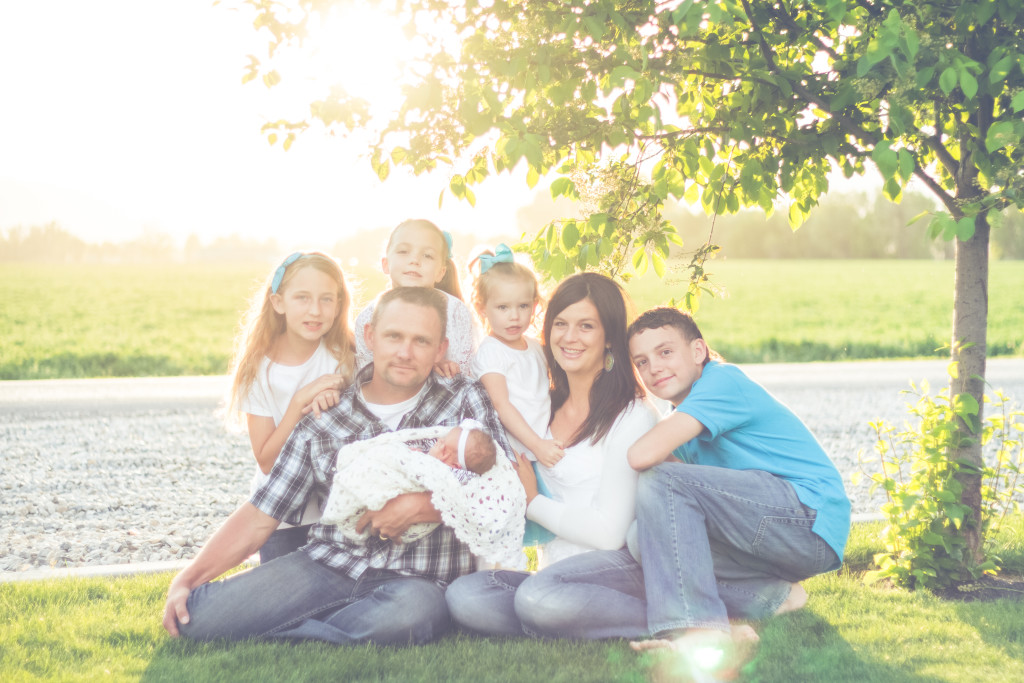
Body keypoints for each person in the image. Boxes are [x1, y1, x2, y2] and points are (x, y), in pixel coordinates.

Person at [162, 286, 519, 646]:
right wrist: (188, 578)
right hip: (329, 564)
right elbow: (260, 515)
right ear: (370, 337)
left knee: (408, 617)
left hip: (416, 581)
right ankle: (328, 631)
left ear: (440, 348)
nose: (405, 352)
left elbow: (504, 488)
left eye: (421, 341)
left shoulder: (464, 400)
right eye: (393, 336)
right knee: (198, 619)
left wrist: (421, 506)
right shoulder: (326, 415)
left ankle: (299, 636)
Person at [625, 307, 851, 666]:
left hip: (808, 520)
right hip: (769, 536)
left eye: (665, 352)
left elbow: (642, 457)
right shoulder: (682, 423)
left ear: (698, 351)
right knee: (643, 538)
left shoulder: (722, 381)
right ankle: (776, 598)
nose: (654, 367)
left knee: (660, 478)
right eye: (642, 362)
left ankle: (696, 629)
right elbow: (677, 510)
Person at [445, 272, 659, 639]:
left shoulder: (632, 414)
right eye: (560, 323)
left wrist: (534, 503)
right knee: (466, 595)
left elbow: (610, 534)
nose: (569, 337)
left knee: (540, 601)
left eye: (586, 326)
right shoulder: (543, 409)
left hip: (616, 565)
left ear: (609, 337)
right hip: (553, 577)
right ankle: (557, 619)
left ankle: (665, 617)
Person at [228, 251, 356, 563]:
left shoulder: (346, 356)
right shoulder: (259, 369)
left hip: (337, 514)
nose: (315, 310)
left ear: (339, 304)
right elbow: (267, 461)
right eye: (302, 298)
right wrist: (299, 404)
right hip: (280, 516)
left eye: (327, 299)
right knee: (279, 605)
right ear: (278, 303)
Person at [469, 244, 563, 468]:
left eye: (523, 306)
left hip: (544, 445)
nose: (514, 316)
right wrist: (537, 445)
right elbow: (501, 406)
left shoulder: (536, 348)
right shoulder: (491, 352)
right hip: (516, 454)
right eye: (503, 307)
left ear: (534, 305)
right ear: (482, 308)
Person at [354, 219, 478, 377]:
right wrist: (427, 365)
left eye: (427, 255)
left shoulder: (456, 312)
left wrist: (445, 368)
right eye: (403, 252)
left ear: (441, 272)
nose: (414, 260)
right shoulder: (367, 318)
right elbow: (368, 376)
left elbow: (463, 372)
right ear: (385, 264)